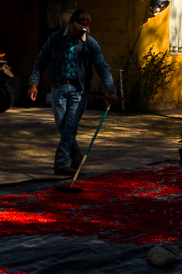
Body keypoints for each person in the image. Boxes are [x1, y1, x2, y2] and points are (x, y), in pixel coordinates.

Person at [28, 9, 118, 176]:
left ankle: (61, 163)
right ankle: (76, 157)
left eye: (82, 30)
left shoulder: (90, 43)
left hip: (80, 90)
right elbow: (41, 60)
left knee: (70, 126)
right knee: (63, 126)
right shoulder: (55, 39)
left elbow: (102, 67)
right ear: (70, 23)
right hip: (58, 86)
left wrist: (110, 90)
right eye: (76, 28)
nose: (78, 33)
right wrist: (34, 83)